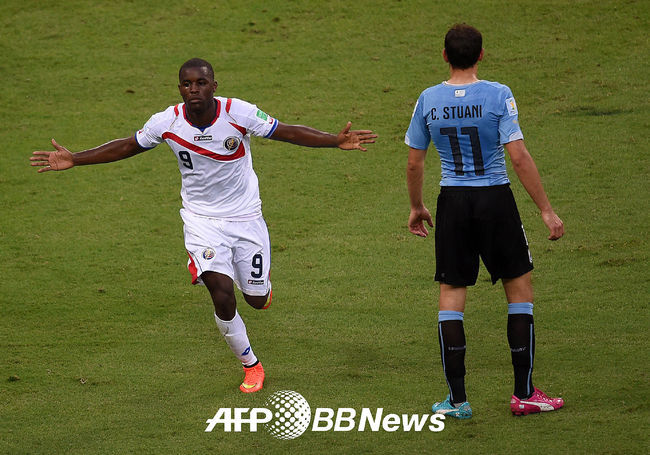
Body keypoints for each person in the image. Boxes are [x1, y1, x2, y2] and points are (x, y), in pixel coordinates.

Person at [31, 58, 376, 394]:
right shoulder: (167, 121)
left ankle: (259, 287)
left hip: (245, 218)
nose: (193, 89)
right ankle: (251, 365)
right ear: (180, 88)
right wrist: (76, 159)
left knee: (256, 300)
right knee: (221, 292)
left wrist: (334, 140)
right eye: (186, 83)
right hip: (201, 221)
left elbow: (286, 131)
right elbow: (127, 146)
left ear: (214, 86)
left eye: (200, 82)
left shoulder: (238, 113)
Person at [405, 24, 564, 418]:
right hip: (495, 199)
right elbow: (519, 156)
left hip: (452, 202)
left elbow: (415, 162)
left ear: (444, 55)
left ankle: (457, 401)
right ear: (480, 55)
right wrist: (546, 209)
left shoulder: (428, 99)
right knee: (519, 291)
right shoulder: (498, 94)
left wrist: (417, 206)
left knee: (451, 296)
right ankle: (523, 394)